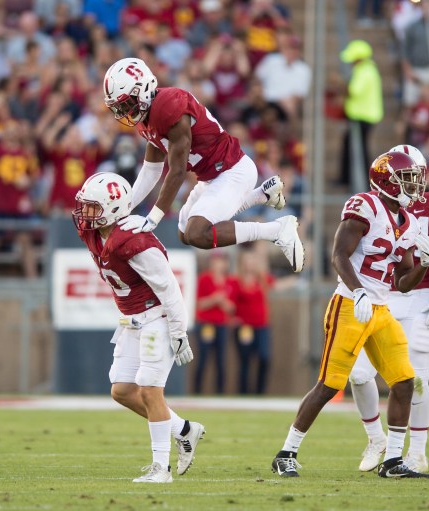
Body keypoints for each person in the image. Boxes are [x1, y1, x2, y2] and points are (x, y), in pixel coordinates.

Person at [270, 151, 429, 479]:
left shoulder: (411, 222)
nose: (415, 186)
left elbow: (402, 282)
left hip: (381, 309)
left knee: (404, 382)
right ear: (387, 180)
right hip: (350, 304)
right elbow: (339, 256)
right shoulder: (366, 206)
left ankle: (392, 460)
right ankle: (286, 452)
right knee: (330, 384)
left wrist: (425, 264)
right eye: (408, 179)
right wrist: (357, 290)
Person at [100, 58, 304, 274]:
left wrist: (153, 218)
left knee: (198, 233)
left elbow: (177, 172)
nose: (124, 112)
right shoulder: (148, 117)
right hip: (211, 176)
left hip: (232, 170)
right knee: (184, 233)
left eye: (126, 103)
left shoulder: (169, 105)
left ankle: (276, 230)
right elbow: (151, 170)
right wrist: (124, 209)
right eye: (119, 107)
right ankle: (261, 196)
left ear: (143, 90)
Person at [72, 172, 205, 483]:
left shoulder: (134, 241)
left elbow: (170, 288)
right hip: (132, 320)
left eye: (92, 208)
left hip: (157, 317)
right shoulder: (93, 233)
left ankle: (162, 469)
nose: (85, 214)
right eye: (85, 206)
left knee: (149, 389)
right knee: (122, 389)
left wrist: (178, 332)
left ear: (114, 209)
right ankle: (184, 430)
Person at [348, 144, 429, 474]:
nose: (413, 185)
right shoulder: (373, 204)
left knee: (415, 380)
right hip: (383, 294)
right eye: (405, 177)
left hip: (423, 298)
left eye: (415, 176)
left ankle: (417, 452)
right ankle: (375, 438)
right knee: (358, 374)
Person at [339, 40, 383, 188]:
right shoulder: (368, 69)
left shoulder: (365, 70)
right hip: (363, 115)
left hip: (363, 116)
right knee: (354, 146)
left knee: (361, 150)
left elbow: (354, 91)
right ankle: (347, 179)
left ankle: (363, 181)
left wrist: (339, 85)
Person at [233, 247, 274, 394]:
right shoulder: (236, 281)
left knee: (264, 357)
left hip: (261, 326)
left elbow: (274, 285)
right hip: (245, 327)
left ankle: (259, 391)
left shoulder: (261, 279)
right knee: (245, 359)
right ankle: (244, 392)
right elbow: (231, 302)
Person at [193, 251, 235, 394]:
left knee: (221, 360)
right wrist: (214, 299)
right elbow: (199, 304)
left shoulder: (230, 281)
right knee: (203, 358)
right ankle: (197, 390)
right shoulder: (204, 279)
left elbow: (232, 308)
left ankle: (220, 392)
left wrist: (223, 302)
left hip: (222, 325)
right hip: (206, 323)